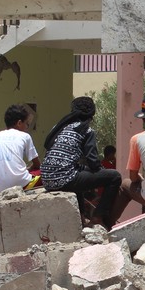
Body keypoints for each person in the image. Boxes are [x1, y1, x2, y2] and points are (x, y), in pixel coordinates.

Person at [41, 97, 123, 229]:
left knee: (78, 174)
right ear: (92, 114)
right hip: (65, 178)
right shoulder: (86, 130)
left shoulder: (58, 127)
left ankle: (80, 218)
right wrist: (100, 171)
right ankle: (98, 217)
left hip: (47, 179)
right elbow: (93, 162)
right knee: (114, 176)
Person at [0, 104, 41, 192]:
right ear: (19, 123)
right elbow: (37, 165)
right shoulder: (25, 136)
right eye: (26, 124)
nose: (27, 127)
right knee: (44, 172)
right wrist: (28, 170)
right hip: (20, 185)